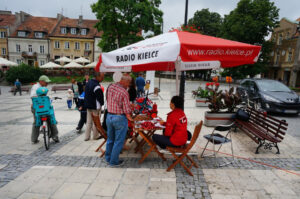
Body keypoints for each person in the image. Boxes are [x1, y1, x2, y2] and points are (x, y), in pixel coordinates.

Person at [106, 74, 133, 166]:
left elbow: (110, 100)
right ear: (124, 81)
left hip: (109, 116)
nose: (128, 85)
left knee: (110, 139)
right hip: (119, 118)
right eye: (128, 82)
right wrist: (130, 114)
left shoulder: (110, 86)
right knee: (118, 141)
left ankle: (108, 158)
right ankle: (113, 161)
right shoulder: (124, 92)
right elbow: (126, 110)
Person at [30, 75, 59, 143]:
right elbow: (33, 97)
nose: (47, 83)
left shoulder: (42, 87)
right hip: (38, 108)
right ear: (41, 81)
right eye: (46, 82)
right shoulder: (36, 87)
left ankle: (34, 139)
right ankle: (55, 136)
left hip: (37, 108)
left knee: (36, 122)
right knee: (52, 120)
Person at [84, 72, 105, 141]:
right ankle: (95, 136)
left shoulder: (88, 83)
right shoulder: (96, 86)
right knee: (96, 121)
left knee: (89, 121)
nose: (103, 78)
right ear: (97, 77)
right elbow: (100, 97)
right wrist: (102, 104)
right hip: (95, 106)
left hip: (88, 105)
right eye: (102, 77)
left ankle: (86, 137)